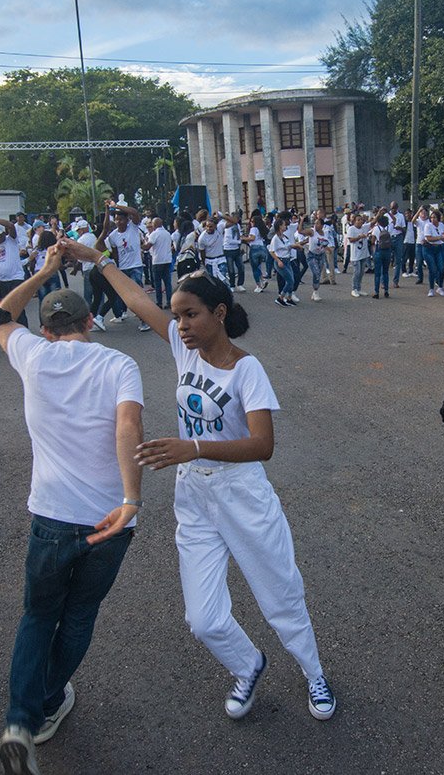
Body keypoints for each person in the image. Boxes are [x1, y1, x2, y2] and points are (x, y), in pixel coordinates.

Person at [64, 238, 336, 723]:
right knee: (203, 619)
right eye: (178, 316)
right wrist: (99, 260)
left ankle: (314, 672)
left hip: (242, 493)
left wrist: (191, 446)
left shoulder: (246, 370)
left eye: (191, 315)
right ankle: (248, 665)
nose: (181, 325)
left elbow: (263, 445)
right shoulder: (181, 348)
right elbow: (137, 301)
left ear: (219, 313)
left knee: (280, 595)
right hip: (194, 495)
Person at [0, 244, 144, 775]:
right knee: (78, 615)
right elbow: (128, 428)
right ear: (89, 321)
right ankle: (48, 701)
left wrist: (43, 272)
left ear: (48, 329)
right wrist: (130, 498)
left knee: (38, 615)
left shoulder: (32, 355)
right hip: (109, 518)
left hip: (51, 516)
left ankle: (20, 720)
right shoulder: (120, 363)